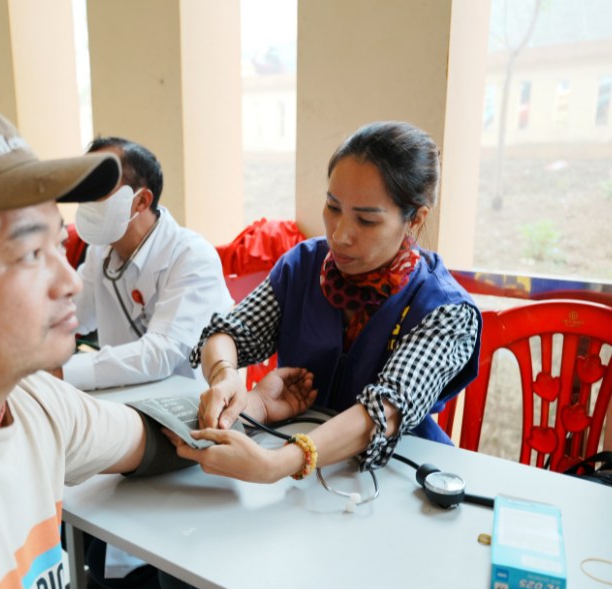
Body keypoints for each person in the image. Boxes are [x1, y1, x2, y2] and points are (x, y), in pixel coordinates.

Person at [0, 96, 314, 589]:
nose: (68, 282)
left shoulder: (29, 401)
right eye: (30, 252)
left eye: (57, 244)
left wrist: (254, 405)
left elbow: (153, 435)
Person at [181, 120, 482, 479]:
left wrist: (278, 464)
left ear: (415, 219)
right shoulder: (302, 267)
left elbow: (384, 409)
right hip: (298, 470)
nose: (340, 235)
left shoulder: (446, 311)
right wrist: (225, 376)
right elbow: (228, 333)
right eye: (333, 207)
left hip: (395, 476)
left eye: (366, 221)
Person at [58, 136, 233, 391]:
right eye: (86, 186)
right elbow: (69, 315)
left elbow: (160, 354)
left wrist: (61, 371)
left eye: (100, 185)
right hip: (121, 399)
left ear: (141, 201)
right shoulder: (100, 253)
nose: (88, 197)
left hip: (188, 405)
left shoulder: (193, 256)